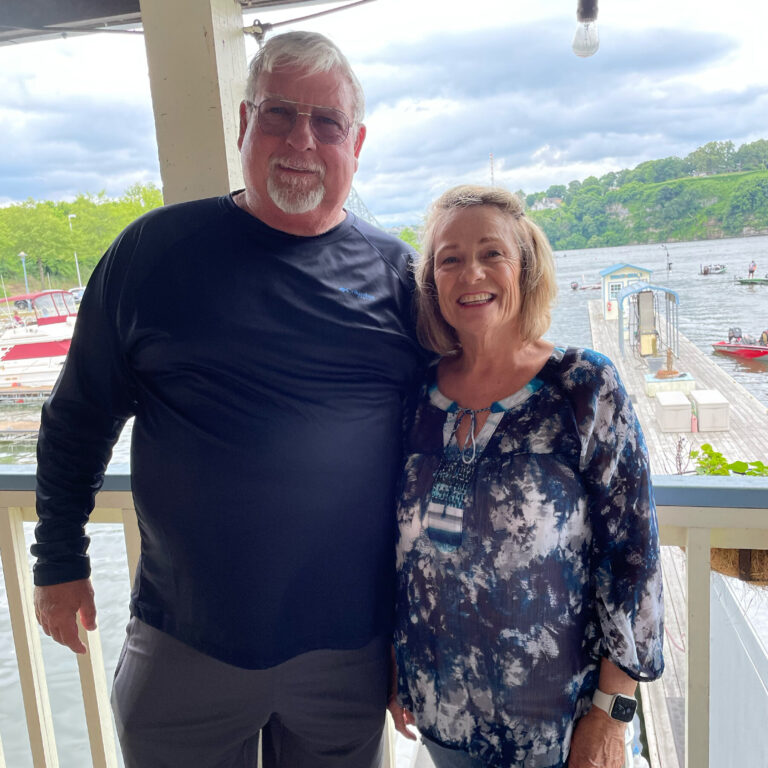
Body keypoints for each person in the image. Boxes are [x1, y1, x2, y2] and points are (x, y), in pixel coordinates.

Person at [32, 31, 423, 768]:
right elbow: (78, 417)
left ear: (357, 142)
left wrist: (422, 631)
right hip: (184, 643)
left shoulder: (401, 278)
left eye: (327, 122)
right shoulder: (151, 255)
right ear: (244, 122)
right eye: (279, 113)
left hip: (347, 653)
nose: (301, 140)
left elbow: (450, 438)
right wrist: (57, 559)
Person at [388, 185, 664, 768]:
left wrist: (612, 714)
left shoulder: (582, 387)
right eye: (450, 259)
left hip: (561, 729)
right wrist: (394, 660)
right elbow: (400, 555)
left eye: (492, 253)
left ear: (526, 267)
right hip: (441, 716)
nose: (472, 273)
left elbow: (633, 557)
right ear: (432, 283)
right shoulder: (416, 397)